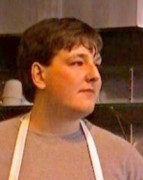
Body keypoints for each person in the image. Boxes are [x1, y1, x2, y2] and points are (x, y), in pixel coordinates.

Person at [0, 17, 143, 180]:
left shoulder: (124, 159)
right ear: (39, 75)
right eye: (77, 63)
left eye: (96, 65)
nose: (95, 75)